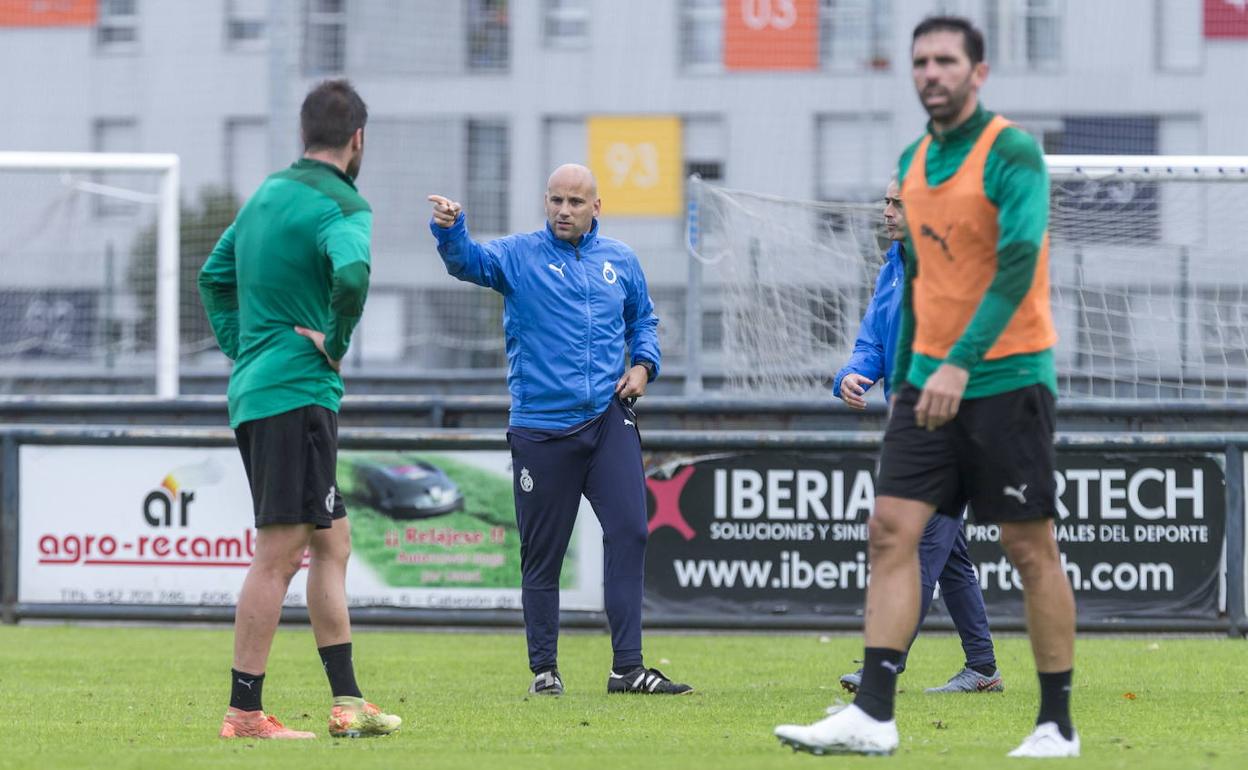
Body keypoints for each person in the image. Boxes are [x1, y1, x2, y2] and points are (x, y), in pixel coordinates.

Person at [775, 16, 1078, 758]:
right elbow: (912, 286)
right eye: (921, 61)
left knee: (1028, 545)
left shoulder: (1011, 151)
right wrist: (904, 376)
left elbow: (1015, 269)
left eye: (947, 60)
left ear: (978, 72)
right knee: (891, 534)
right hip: (926, 386)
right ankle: (872, 715)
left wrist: (958, 363)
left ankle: (1055, 724)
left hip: (1006, 379)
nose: (931, 71)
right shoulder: (913, 161)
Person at [427, 163, 692, 697]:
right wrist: (451, 230)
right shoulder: (518, 257)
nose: (564, 211)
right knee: (543, 551)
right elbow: (467, 263)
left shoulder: (621, 259)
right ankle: (545, 670)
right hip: (542, 429)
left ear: (597, 207)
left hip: (608, 418)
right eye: (555, 201)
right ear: (544, 203)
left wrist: (643, 365)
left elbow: (644, 318)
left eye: (575, 202)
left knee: (631, 531)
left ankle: (627, 669)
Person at [199, 79, 401, 740]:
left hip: (263, 388)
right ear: (358, 140)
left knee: (330, 539)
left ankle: (349, 702)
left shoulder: (265, 196)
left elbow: (213, 276)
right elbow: (351, 274)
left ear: (303, 134)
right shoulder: (344, 204)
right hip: (297, 395)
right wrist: (335, 343)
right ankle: (244, 712)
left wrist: (244, 347)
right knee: (280, 553)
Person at [832, 179, 1003, 696]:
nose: (885, 211)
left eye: (897, 203)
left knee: (915, 546)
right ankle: (983, 668)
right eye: (885, 201)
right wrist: (851, 374)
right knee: (947, 556)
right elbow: (872, 342)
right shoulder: (894, 267)